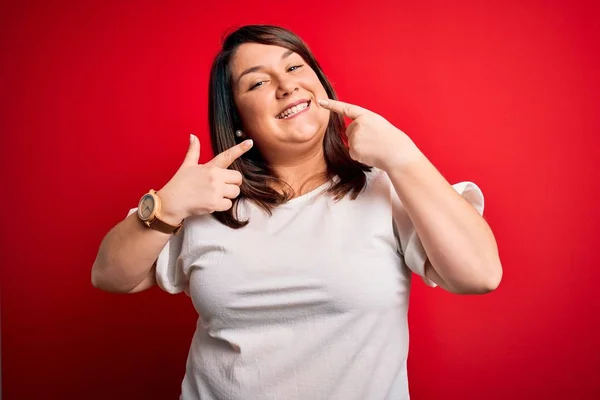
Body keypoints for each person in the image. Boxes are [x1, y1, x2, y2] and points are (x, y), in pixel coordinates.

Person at [91, 24, 502, 400]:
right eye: (258, 82)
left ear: (321, 85)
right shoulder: (206, 199)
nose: (287, 86)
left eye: (295, 67)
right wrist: (166, 205)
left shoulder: (387, 189)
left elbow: (479, 275)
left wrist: (404, 157)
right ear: (238, 120)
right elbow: (110, 276)